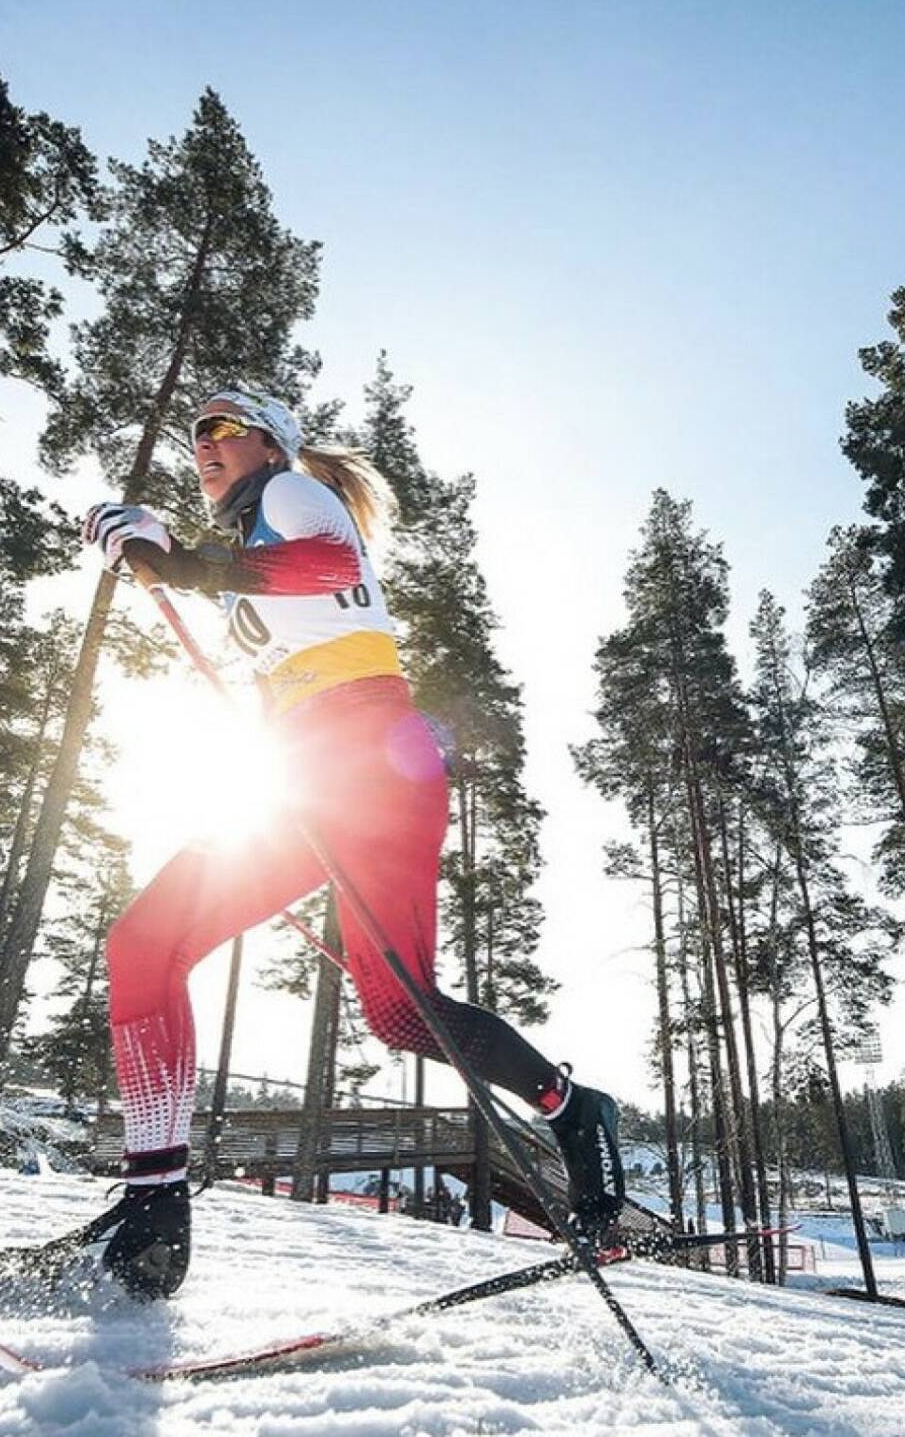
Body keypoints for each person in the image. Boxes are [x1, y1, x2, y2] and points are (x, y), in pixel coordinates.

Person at [78, 389, 624, 1298]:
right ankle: (154, 1195)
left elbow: (323, 566)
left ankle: (575, 1111)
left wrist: (182, 566)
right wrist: (157, 554)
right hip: (304, 766)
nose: (204, 445)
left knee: (400, 1008)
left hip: (368, 757)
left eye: (222, 429)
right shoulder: (249, 537)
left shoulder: (290, 495)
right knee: (151, 946)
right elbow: (267, 615)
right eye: (194, 436)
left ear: (270, 442)